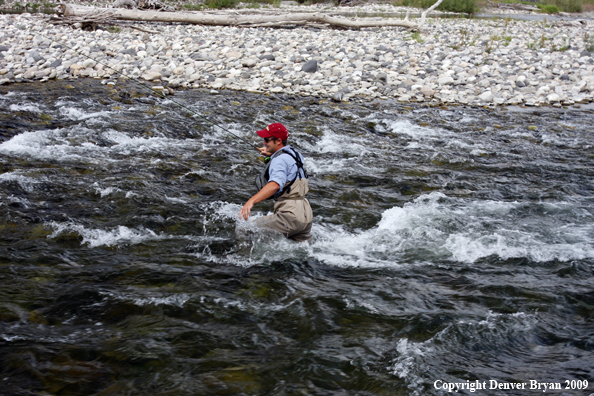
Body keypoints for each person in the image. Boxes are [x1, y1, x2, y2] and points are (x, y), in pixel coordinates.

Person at [238, 123, 313, 243]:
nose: (264, 143)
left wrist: (251, 201)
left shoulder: (279, 160)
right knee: (302, 255)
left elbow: (275, 184)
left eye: (267, 140)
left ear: (278, 141)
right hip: (305, 215)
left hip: (290, 216)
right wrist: (270, 155)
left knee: (244, 229)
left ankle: (244, 260)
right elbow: (288, 168)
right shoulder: (295, 154)